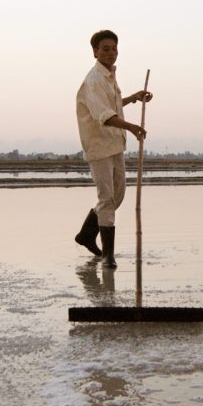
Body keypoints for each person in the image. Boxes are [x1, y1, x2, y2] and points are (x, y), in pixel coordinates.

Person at [74, 29, 152, 268]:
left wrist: (133, 98)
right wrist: (130, 126)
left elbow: (114, 105)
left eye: (114, 49)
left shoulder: (109, 76)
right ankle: (108, 255)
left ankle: (86, 234)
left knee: (117, 194)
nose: (111, 53)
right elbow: (104, 115)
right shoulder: (94, 80)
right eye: (105, 49)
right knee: (107, 198)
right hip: (99, 146)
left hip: (115, 143)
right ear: (95, 52)